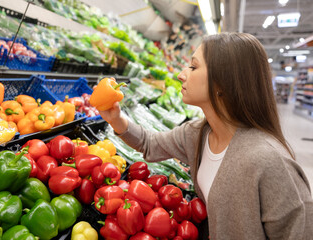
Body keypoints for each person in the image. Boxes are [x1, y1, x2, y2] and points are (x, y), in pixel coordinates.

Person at [99, 32, 313, 239]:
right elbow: (150, 143)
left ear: (222, 83)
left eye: (193, 67)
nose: (181, 74)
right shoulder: (198, 134)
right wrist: (116, 119)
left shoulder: (270, 162)